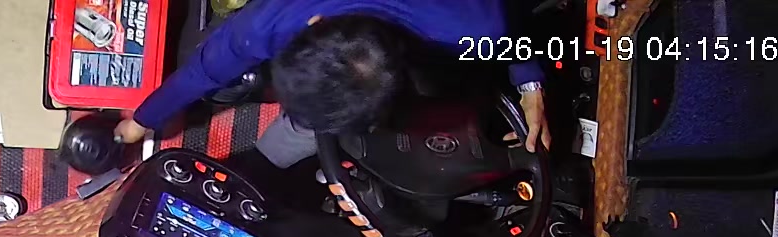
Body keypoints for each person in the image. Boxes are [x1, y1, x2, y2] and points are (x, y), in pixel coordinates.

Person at [115, 1, 551, 169]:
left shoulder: (473, 24)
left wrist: (531, 87)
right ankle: (265, 164)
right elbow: (203, 71)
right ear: (314, 24)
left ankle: (267, 164)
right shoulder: (265, 23)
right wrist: (143, 120)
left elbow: (513, 34)